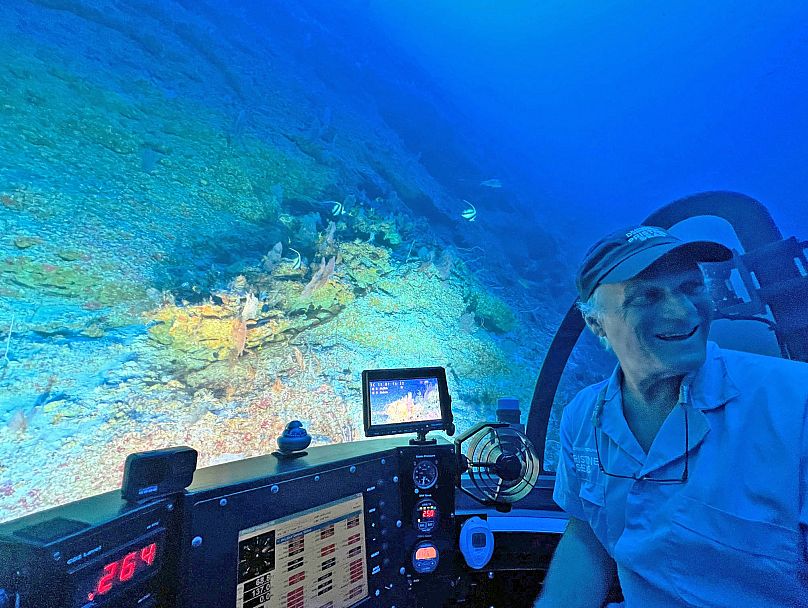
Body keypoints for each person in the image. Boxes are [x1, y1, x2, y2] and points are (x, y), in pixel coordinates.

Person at [535, 225, 808, 608]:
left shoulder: (797, 405)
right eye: (646, 297)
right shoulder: (582, 417)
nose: (681, 313)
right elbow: (589, 535)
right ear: (596, 324)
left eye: (691, 288)